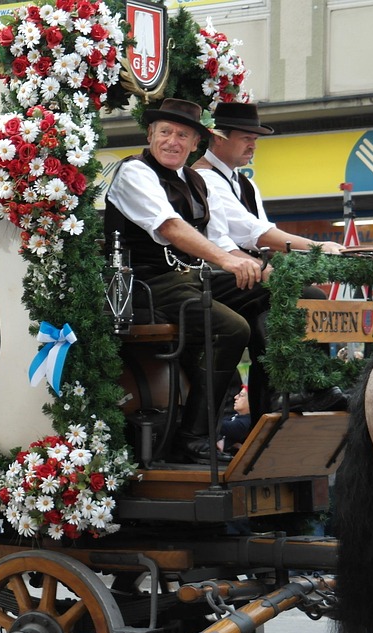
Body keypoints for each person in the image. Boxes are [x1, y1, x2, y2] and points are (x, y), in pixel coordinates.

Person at [105, 98, 269, 464]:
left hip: (192, 278)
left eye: (183, 135)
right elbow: (170, 227)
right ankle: (193, 438)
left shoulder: (196, 180)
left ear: (197, 143)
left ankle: (268, 412)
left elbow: (220, 240)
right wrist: (227, 261)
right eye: (165, 132)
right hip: (146, 284)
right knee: (230, 328)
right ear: (150, 135)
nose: (172, 141)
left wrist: (257, 267)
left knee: (274, 293)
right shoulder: (135, 172)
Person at [193, 101, 348, 416]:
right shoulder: (203, 178)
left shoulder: (245, 183)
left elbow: (262, 240)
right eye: (245, 137)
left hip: (244, 274)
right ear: (218, 137)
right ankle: (305, 388)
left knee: (289, 304)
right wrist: (316, 248)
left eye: (256, 138)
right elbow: (254, 234)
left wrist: (304, 264)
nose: (253, 144)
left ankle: (285, 396)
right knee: (306, 295)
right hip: (211, 277)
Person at [218, 385, 252, 454]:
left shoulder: (246, 423)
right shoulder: (234, 416)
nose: (235, 397)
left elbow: (218, 425)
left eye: (241, 395)